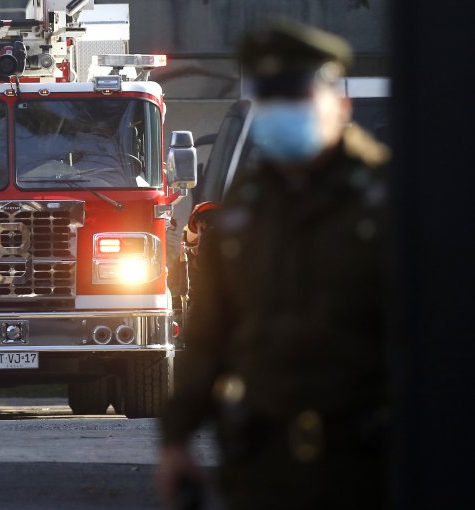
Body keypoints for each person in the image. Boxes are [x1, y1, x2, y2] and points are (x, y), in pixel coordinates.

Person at [157, 19, 390, 510]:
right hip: (261, 458)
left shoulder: (385, 199)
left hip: (367, 455)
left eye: (297, 99)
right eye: (270, 103)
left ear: (338, 105)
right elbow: (208, 335)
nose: (284, 115)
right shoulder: (242, 210)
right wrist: (176, 440)